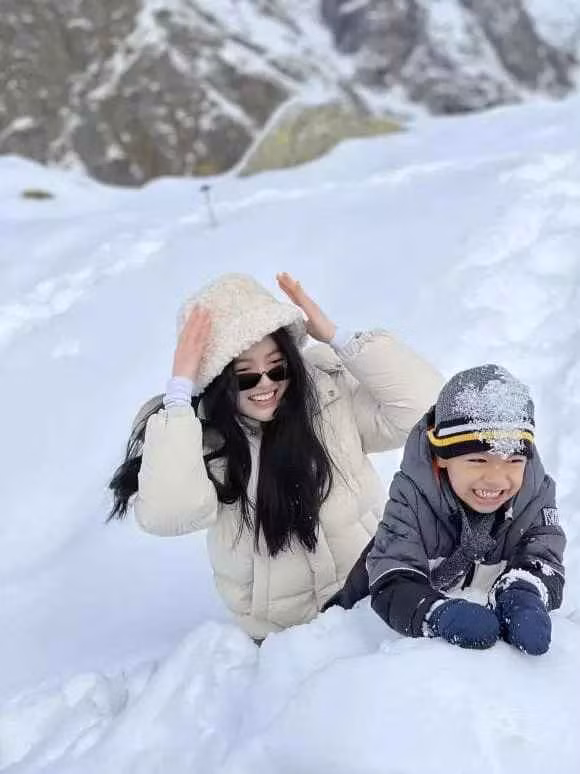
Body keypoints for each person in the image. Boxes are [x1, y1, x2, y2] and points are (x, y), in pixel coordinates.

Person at [109, 272, 442, 641]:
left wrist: (337, 336)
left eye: (276, 366)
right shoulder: (202, 441)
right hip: (284, 636)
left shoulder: (330, 397)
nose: (266, 383)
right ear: (219, 382)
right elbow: (169, 514)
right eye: (246, 376)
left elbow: (424, 412)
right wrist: (180, 390)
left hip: (373, 593)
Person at [328, 364, 566, 655]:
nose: (496, 478)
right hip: (363, 625)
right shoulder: (413, 495)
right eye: (478, 461)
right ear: (442, 457)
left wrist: (525, 590)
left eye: (513, 460)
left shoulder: (535, 493)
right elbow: (391, 576)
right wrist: (437, 613)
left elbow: (545, 553)